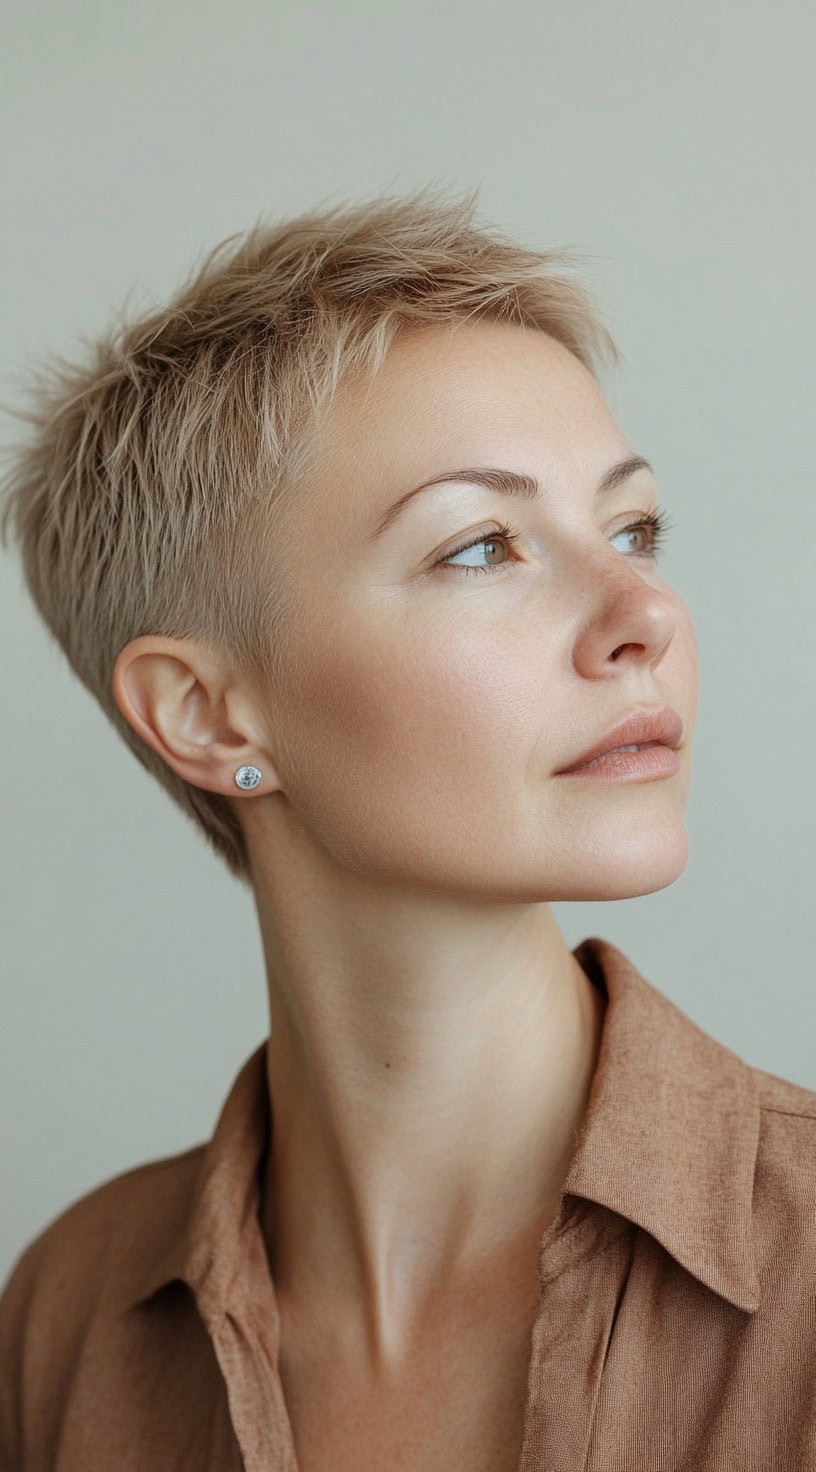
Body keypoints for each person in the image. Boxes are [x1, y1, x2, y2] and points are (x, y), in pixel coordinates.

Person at [0, 186, 813, 1472]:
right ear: (208, 714)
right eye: (482, 546)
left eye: (632, 526)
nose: (644, 611)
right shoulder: (64, 1319)